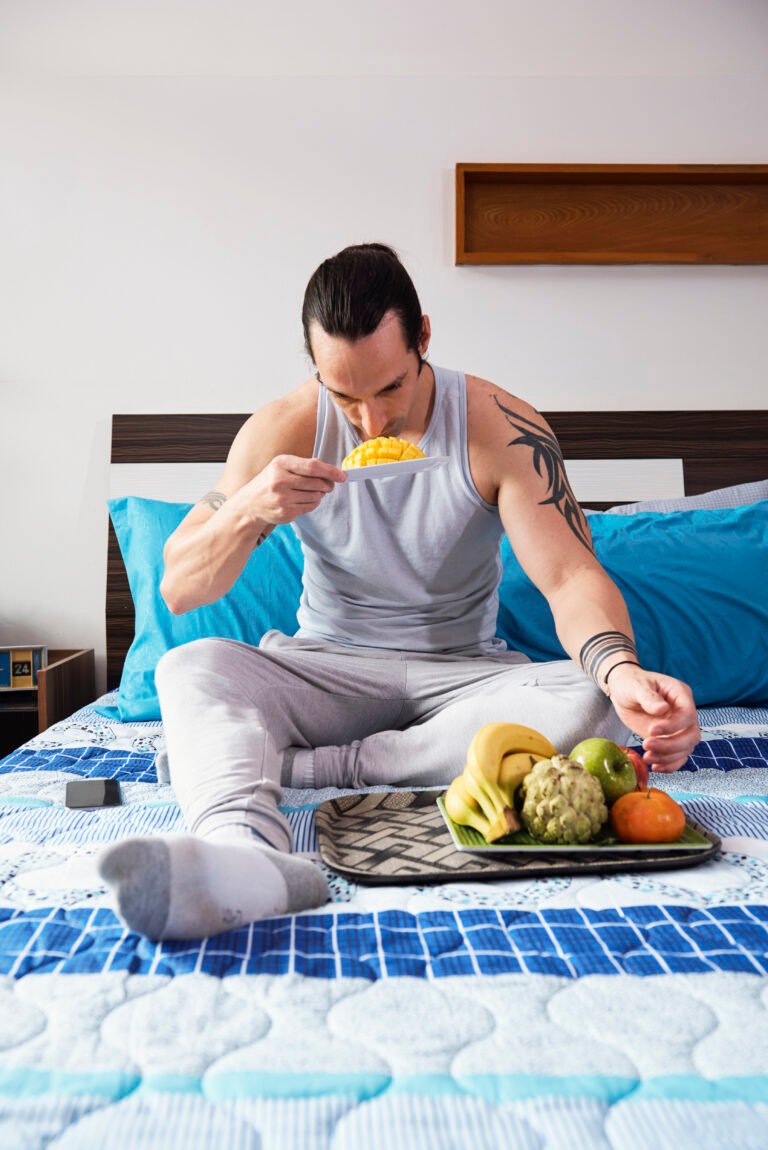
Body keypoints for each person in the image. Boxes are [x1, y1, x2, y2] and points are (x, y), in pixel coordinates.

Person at [98, 242, 701, 940]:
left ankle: (295, 765)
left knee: (594, 701)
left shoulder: (499, 426)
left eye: (390, 389)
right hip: (324, 669)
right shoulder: (284, 427)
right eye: (345, 396)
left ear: (423, 339)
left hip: (463, 680)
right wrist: (251, 508)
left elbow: (568, 576)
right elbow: (179, 587)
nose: (371, 423)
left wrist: (622, 672)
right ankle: (247, 855)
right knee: (190, 666)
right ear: (315, 368)